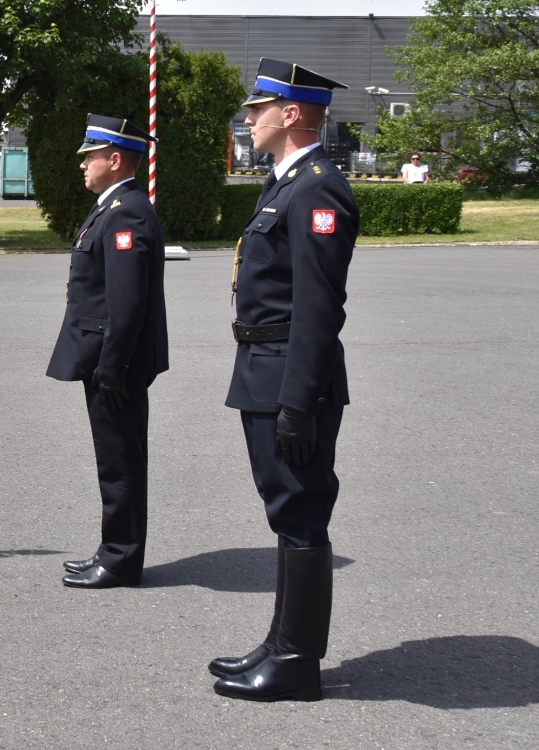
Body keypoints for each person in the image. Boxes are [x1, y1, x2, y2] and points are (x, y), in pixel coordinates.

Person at [210, 58, 357, 703]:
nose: (249, 117)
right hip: (265, 369)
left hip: (290, 378)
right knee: (286, 510)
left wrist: (299, 401)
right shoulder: (286, 183)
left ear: (291, 113)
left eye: (258, 107)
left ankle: (297, 662)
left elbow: (319, 307)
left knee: (300, 510)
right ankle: (280, 641)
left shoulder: (317, 187)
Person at [46, 115, 168, 591]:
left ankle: (121, 558)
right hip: (105, 357)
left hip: (113, 361)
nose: (83, 165)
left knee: (120, 461)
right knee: (114, 458)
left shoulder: (126, 212)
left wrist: (112, 367)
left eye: (90, 156)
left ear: (115, 160)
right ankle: (113, 547)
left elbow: (127, 299)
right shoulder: (115, 206)